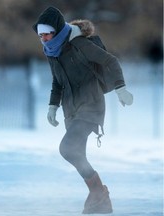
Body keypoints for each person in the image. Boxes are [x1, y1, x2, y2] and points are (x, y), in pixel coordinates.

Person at [32, 6, 133, 214]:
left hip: (91, 105)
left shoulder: (79, 44)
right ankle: (100, 200)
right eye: (41, 35)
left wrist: (120, 87)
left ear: (58, 30)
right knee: (77, 153)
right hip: (71, 110)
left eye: (47, 33)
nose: (44, 39)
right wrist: (53, 106)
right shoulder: (52, 51)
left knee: (67, 149)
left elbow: (110, 60)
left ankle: (98, 191)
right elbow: (57, 82)